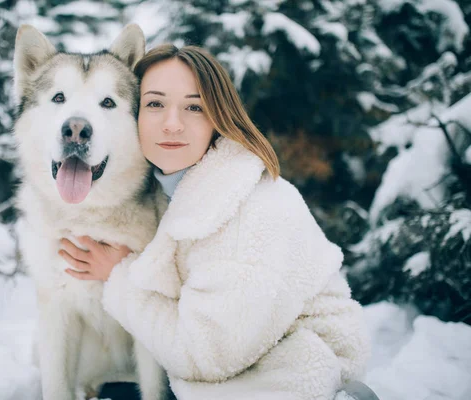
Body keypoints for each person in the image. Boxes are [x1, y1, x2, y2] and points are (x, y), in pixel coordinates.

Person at [58, 44, 370, 400]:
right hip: (234, 372)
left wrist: (120, 275)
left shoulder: (246, 211)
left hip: (297, 379)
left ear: (219, 117)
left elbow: (204, 356)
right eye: (155, 104)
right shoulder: (179, 189)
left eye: (194, 107)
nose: (172, 124)